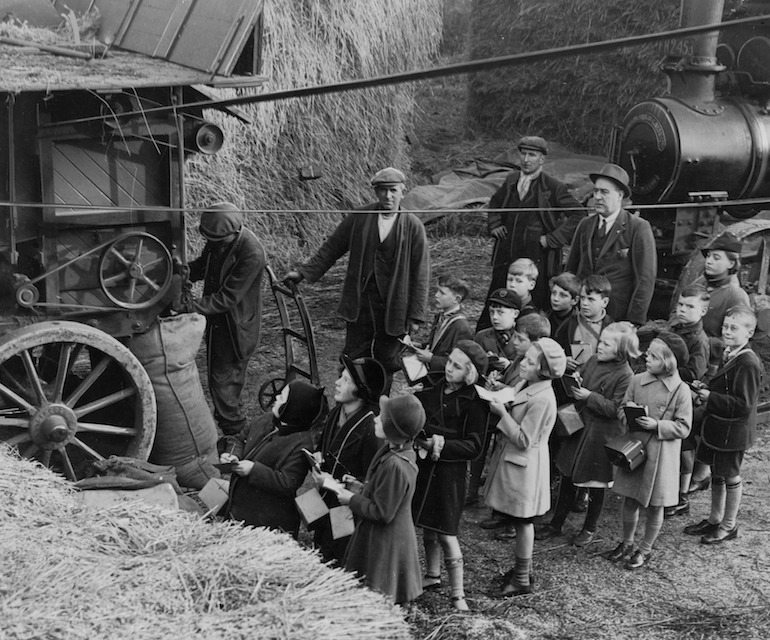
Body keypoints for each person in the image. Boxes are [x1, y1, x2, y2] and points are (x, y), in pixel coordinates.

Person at [284, 168, 430, 389]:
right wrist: (304, 273)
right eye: (382, 191)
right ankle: (348, 399)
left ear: (403, 191)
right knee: (353, 354)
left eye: (393, 190)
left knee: (387, 359)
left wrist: (415, 315)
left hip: (394, 306)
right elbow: (332, 247)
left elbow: (421, 275)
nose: (387, 197)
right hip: (361, 303)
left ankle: (378, 404)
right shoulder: (360, 217)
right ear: (376, 192)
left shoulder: (413, 227)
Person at [539, 323, 638, 546]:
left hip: (601, 436)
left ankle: (589, 528)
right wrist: (576, 381)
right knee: (567, 475)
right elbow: (581, 379)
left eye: (606, 343)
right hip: (580, 427)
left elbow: (615, 408)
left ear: (621, 350)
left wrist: (589, 396)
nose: (599, 346)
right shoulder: (593, 360)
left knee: (596, 483)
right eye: (600, 341)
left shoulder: (625, 375)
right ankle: (556, 523)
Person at [484, 338, 566, 596]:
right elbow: (516, 399)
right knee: (519, 520)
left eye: (530, 361)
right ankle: (522, 570)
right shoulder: (528, 384)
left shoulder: (543, 398)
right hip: (516, 464)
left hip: (525, 467)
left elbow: (524, 439)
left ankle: (521, 578)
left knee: (523, 521)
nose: (523, 363)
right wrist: (500, 392)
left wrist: (502, 414)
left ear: (543, 370)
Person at [413, 340, 489, 611]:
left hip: (450, 471)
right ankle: (432, 575)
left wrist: (438, 443)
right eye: (449, 362)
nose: (449, 369)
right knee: (427, 523)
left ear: (470, 372)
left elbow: (475, 446)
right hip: (426, 468)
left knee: (446, 531)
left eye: (457, 366)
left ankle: (458, 594)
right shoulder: (435, 389)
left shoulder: (476, 402)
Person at [608, 332, 692, 570]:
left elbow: (684, 427)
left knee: (656, 504)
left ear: (668, 361)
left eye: (654, 357)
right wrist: (629, 413)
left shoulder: (680, 390)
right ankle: (626, 542)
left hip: (661, 454)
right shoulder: (637, 380)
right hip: (635, 448)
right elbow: (623, 407)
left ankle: (645, 548)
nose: (647, 358)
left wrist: (658, 425)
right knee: (630, 498)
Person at [478, 135, 582, 328]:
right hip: (507, 254)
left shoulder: (552, 187)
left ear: (542, 159)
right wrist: (495, 223)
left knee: (534, 304)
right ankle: (489, 337)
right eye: (523, 154)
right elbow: (495, 202)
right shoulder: (511, 180)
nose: (526, 159)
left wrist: (553, 239)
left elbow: (578, 213)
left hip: (537, 257)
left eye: (532, 155)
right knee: (499, 296)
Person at [334, 394, 425, 605]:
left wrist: (351, 500)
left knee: (379, 593)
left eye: (381, 417)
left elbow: (382, 512)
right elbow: (385, 492)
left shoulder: (396, 465)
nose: (375, 419)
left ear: (393, 429)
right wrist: (361, 488)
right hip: (381, 535)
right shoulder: (392, 451)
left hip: (386, 541)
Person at [188, 203, 266, 436]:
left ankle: (236, 433)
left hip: (236, 326)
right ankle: (230, 425)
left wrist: (188, 307)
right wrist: (181, 272)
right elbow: (203, 265)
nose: (212, 243)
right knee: (217, 378)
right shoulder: (219, 240)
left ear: (233, 232)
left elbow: (227, 298)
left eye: (217, 240)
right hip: (219, 323)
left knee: (225, 381)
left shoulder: (252, 253)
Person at [684, 305, 761, 545]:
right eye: (726, 326)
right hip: (719, 427)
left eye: (734, 328)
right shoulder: (731, 353)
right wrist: (705, 389)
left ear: (749, 333)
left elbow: (744, 404)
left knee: (730, 475)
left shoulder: (747, 362)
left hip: (733, 431)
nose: (727, 331)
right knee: (717, 472)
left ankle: (729, 525)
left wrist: (710, 398)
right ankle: (715, 519)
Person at [220, 379, 326, 538]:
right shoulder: (265, 420)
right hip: (240, 506)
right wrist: (233, 454)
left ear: (294, 408)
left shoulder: (301, 443)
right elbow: (239, 439)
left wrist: (253, 470)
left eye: (282, 397)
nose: (276, 398)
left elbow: (288, 482)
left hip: (269, 520)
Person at [686, 232, 749, 495]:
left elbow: (737, 340)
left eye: (716, 257)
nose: (709, 262)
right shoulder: (700, 283)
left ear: (732, 263)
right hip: (690, 359)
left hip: (714, 368)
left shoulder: (736, 295)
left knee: (701, 418)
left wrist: (704, 342)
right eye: (708, 256)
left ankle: (700, 473)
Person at [312, 356, 387, 564]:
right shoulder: (337, 412)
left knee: (338, 555)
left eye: (345, 380)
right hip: (326, 500)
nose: (336, 383)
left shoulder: (371, 427)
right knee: (321, 544)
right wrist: (319, 455)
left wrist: (334, 483)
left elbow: (372, 478)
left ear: (361, 391)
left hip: (347, 509)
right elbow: (325, 445)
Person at [565, 163, 656, 324]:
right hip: (582, 314)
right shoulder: (585, 225)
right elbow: (571, 270)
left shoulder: (638, 227)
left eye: (604, 192)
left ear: (620, 196)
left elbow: (645, 279)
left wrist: (634, 322)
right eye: (596, 191)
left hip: (617, 317)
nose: (597, 197)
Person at [663, 286, 710, 518]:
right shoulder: (675, 327)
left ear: (703, 311)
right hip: (667, 392)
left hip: (686, 397)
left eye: (690, 306)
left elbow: (694, 372)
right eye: (680, 304)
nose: (682, 309)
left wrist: (664, 368)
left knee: (683, 445)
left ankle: (681, 496)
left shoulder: (699, 341)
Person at [409, 274, 473, 378]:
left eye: (442, 293)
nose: (436, 295)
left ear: (456, 299)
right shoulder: (440, 317)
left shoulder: (461, 327)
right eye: (437, 291)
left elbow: (461, 362)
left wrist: (431, 359)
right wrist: (421, 346)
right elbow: (438, 344)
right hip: (432, 376)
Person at [564, 275, 614, 375]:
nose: (584, 303)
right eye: (582, 298)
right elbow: (556, 348)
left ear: (604, 302)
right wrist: (564, 360)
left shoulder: (612, 327)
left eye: (591, 299)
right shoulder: (570, 323)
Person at [547, 272, 581, 348]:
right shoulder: (546, 317)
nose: (555, 299)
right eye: (554, 293)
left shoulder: (579, 324)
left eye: (563, 295)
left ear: (575, 300)